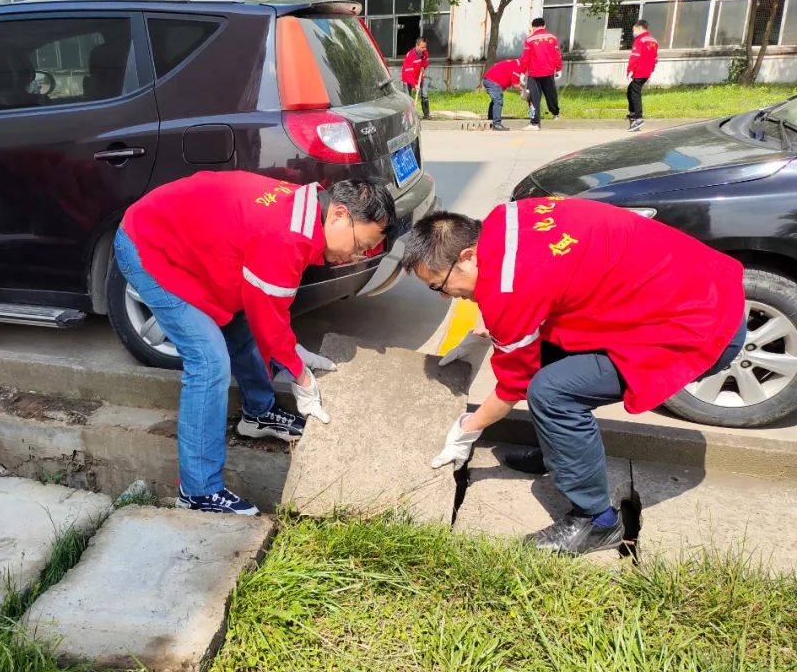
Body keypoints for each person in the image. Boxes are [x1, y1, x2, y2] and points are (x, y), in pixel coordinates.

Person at [400, 197, 746, 555]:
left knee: (551, 392)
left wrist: (468, 428)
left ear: (468, 257)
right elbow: (543, 284)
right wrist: (488, 329)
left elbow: (512, 384)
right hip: (697, 285)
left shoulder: (508, 288)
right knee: (548, 354)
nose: (445, 298)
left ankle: (597, 522)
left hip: (697, 327)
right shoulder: (506, 220)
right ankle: (562, 456)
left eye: (438, 286)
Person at [114, 172, 396, 515]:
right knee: (209, 361)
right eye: (359, 246)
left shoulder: (307, 211)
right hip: (149, 246)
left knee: (240, 324)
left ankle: (258, 414)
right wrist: (300, 376)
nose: (355, 256)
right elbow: (268, 317)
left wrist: (291, 351)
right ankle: (198, 491)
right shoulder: (288, 235)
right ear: (339, 214)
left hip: (188, 247)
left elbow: (268, 306)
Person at [519, 17, 563, 131]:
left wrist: (522, 72)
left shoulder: (529, 40)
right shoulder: (552, 38)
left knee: (533, 98)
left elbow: (525, 58)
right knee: (551, 94)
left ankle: (534, 123)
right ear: (544, 26)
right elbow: (556, 54)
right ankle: (556, 114)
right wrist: (558, 69)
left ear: (533, 27)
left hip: (534, 73)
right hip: (548, 71)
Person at [626, 19, 659, 132]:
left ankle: (638, 117)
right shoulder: (653, 41)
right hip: (647, 72)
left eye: (634, 30)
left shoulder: (640, 40)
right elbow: (655, 58)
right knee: (631, 89)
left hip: (639, 71)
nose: (633, 32)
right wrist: (651, 70)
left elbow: (635, 56)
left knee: (635, 93)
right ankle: (633, 113)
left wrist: (630, 70)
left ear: (640, 28)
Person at [482, 58, 525, 131]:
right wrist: (524, 91)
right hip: (492, 81)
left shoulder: (515, 63)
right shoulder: (519, 66)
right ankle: (496, 124)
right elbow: (515, 84)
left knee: (495, 101)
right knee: (498, 101)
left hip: (489, 79)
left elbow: (511, 78)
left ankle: (491, 120)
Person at [401, 38, 430, 120]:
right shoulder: (410, 56)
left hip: (419, 77)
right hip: (407, 79)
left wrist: (423, 67)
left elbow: (425, 60)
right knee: (408, 98)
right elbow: (408, 73)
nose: (424, 49)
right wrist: (414, 85)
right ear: (417, 46)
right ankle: (407, 117)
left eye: (425, 47)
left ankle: (427, 114)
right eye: (422, 47)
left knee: (425, 96)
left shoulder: (424, 52)